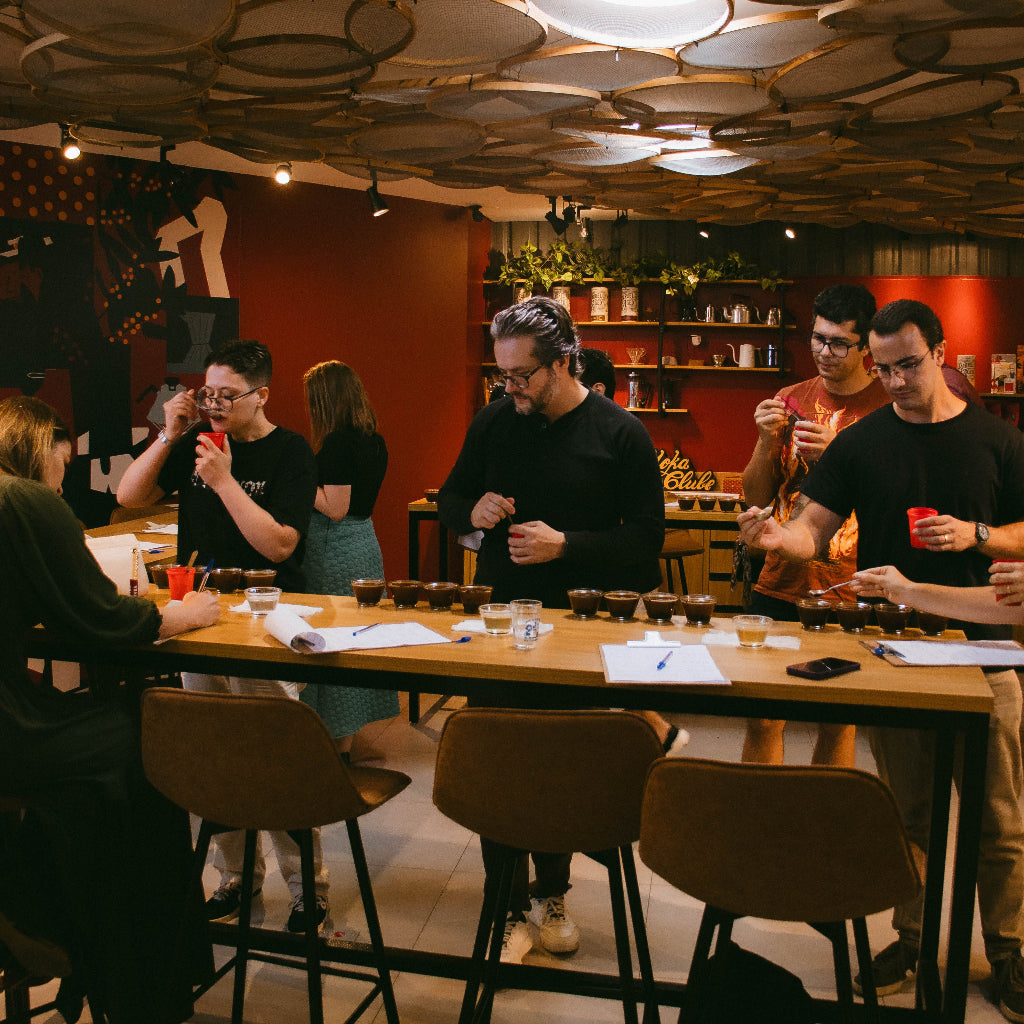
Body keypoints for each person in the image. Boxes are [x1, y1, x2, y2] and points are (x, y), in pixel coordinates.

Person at [737, 299, 1024, 1021]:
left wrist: (979, 535)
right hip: (897, 649)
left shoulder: (998, 440)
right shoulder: (862, 445)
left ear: (940, 353)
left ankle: (1012, 949)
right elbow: (812, 530)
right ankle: (915, 939)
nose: (896, 381)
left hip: (988, 648)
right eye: (886, 367)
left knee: (999, 818)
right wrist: (777, 540)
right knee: (910, 815)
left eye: (910, 364)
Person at [438, 297, 664, 964]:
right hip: (500, 621)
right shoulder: (493, 422)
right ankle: (505, 906)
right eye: (501, 377)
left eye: (521, 377)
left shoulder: (621, 434)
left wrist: (567, 546)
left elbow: (648, 545)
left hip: (580, 625)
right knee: (499, 763)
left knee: (560, 766)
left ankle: (553, 892)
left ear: (564, 363)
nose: (510, 391)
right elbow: (452, 499)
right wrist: (472, 515)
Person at [0, 395, 220, 1024]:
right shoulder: (23, 500)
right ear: (36, 450)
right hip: (9, 730)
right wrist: (178, 616)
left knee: (88, 760)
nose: (61, 481)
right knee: (145, 734)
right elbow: (102, 617)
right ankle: (143, 974)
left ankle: (46, 918)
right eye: (60, 469)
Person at [116, 339, 329, 935]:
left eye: (228, 396)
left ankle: (306, 887)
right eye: (207, 393)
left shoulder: (291, 452)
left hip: (270, 615)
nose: (215, 406)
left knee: (276, 754)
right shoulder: (195, 442)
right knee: (214, 754)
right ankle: (236, 874)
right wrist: (168, 432)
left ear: (262, 395)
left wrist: (226, 481)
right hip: (200, 610)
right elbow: (127, 498)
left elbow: (281, 545)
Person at [740, 283, 887, 767]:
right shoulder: (790, 397)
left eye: (839, 343)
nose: (824, 352)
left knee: (837, 716)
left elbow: (898, 505)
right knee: (763, 714)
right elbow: (757, 495)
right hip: (780, 580)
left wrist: (840, 461)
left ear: (866, 347)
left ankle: (823, 832)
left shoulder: (888, 409)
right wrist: (765, 441)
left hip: (851, 587)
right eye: (817, 339)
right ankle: (757, 826)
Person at [577, 345, 690, 754]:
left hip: (624, 581)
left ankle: (653, 741)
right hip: (598, 576)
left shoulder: (623, 432)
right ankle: (655, 736)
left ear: (599, 388)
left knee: (617, 676)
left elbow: (644, 532)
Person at [299, 360, 398, 757]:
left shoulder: (338, 443)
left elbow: (334, 507)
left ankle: (331, 747)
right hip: (363, 541)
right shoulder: (375, 440)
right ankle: (345, 741)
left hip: (333, 546)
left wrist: (299, 479)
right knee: (356, 640)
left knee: (330, 644)